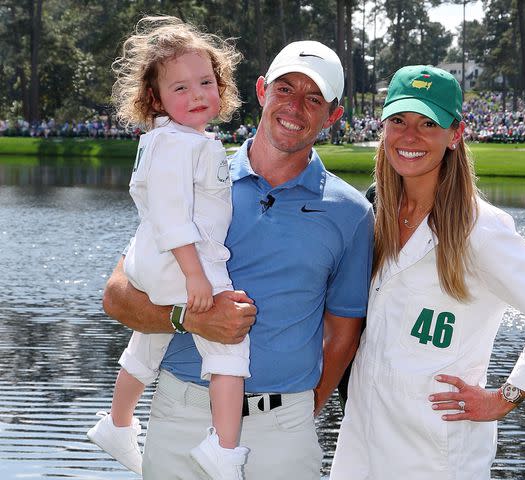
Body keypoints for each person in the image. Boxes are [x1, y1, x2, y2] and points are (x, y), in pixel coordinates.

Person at [101, 39, 374, 480]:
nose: (296, 107)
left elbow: (343, 338)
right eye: (285, 90)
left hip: (285, 431)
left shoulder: (351, 214)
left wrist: (299, 412)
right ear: (263, 91)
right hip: (180, 416)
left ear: (333, 115)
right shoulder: (196, 173)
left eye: (314, 98)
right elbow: (117, 297)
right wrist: (189, 319)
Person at [329, 65, 525, 480]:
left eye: (428, 123)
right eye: (398, 120)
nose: (409, 136)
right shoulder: (376, 214)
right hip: (363, 430)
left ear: (455, 135)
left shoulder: (481, 229)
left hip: (437, 447)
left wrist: (505, 398)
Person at [87, 16, 251, 480]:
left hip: (154, 259)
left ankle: (118, 424)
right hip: (183, 260)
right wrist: (197, 275)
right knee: (228, 343)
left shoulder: (171, 139)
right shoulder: (179, 145)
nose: (197, 94)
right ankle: (223, 448)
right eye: (180, 89)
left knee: (150, 337)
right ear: (155, 99)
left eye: (205, 82)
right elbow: (174, 215)